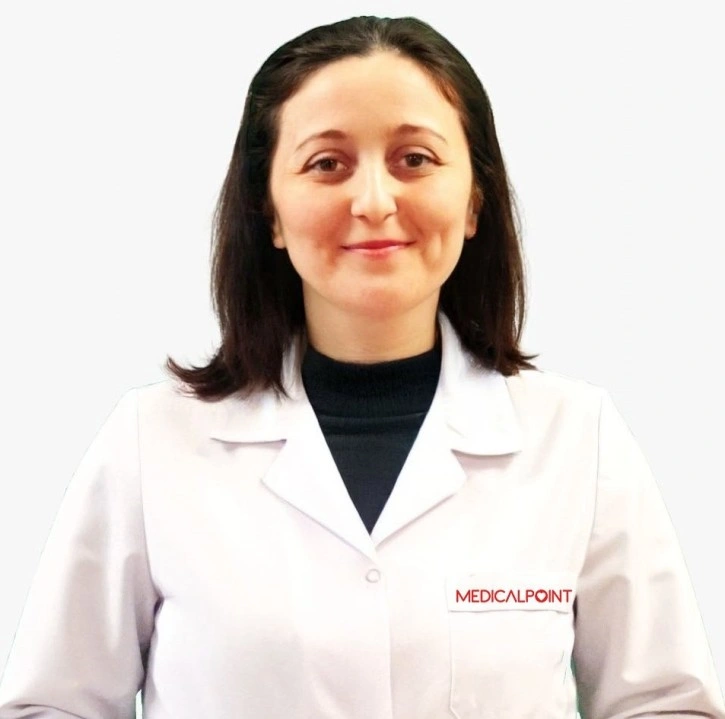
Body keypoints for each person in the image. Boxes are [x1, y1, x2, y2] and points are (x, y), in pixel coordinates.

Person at [0, 14, 722, 719]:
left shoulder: (576, 439)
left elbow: (663, 704)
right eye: (327, 164)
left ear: (474, 199)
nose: (374, 201)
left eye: (415, 160)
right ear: (269, 210)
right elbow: (53, 703)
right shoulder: (153, 442)